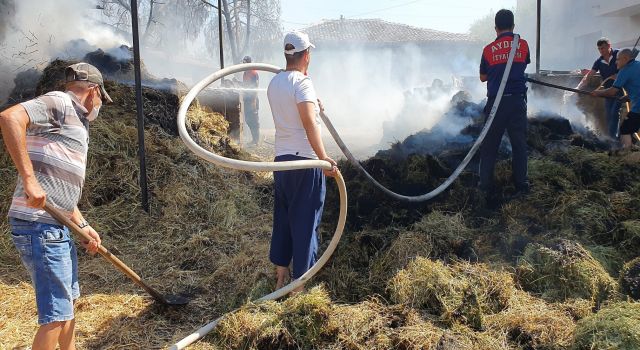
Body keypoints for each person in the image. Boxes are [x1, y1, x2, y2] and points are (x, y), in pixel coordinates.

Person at [0, 62, 109, 350]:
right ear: (94, 91)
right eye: (101, 99)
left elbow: (61, 190)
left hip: (56, 224)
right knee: (56, 315)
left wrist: (84, 226)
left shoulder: (77, 121)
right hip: (39, 225)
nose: (100, 106)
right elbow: (10, 117)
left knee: (68, 304)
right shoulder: (60, 101)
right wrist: (29, 180)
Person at [267, 31, 338, 292]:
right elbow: (308, 124)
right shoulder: (303, 84)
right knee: (305, 224)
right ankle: (299, 289)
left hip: (281, 162)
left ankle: (280, 279)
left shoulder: (275, 83)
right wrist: (324, 159)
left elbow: (294, 112)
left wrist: (314, 106)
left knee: (284, 220)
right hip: (305, 164)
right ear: (306, 55)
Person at [479, 9, 530, 205]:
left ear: (495, 28)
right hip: (517, 102)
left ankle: (485, 186)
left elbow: (483, 77)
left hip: (496, 104)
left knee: (489, 146)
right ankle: (521, 185)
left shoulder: (488, 49)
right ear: (513, 26)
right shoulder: (523, 45)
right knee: (519, 145)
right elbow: (523, 66)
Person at [593, 49, 640, 148]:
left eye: (618, 59)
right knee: (630, 129)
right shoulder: (638, 65)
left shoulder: (625, 71)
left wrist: (597, 93)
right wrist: (627, 97)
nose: (616, 62)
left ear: (625, 58)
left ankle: (627, 153)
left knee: (625, 129)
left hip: (638, 108)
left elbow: (611, 92)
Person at [577, 38, 622, 138]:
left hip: (620, 90)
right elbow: (588, 76)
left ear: (609, 46)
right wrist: (579, 87)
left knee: (614, 113)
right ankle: (612, 138)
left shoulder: (619, 55)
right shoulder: (599, 61)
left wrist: (619, 75)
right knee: (609, 115)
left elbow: (628, 66)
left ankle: (614, 138)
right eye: (599, 49)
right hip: (607, 92)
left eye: (603, 48)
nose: (601, 51)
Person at [242, 55, 261, 145]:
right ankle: (254, 139)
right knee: (248, 120)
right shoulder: (245, 73)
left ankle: (256, 140)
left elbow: (256, 88)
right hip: (247, 100)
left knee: (254, 120)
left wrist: (253, 101)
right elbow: (246, 85)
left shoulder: (253, 73)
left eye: (245, 63)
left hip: (252, 100)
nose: (243, 64)